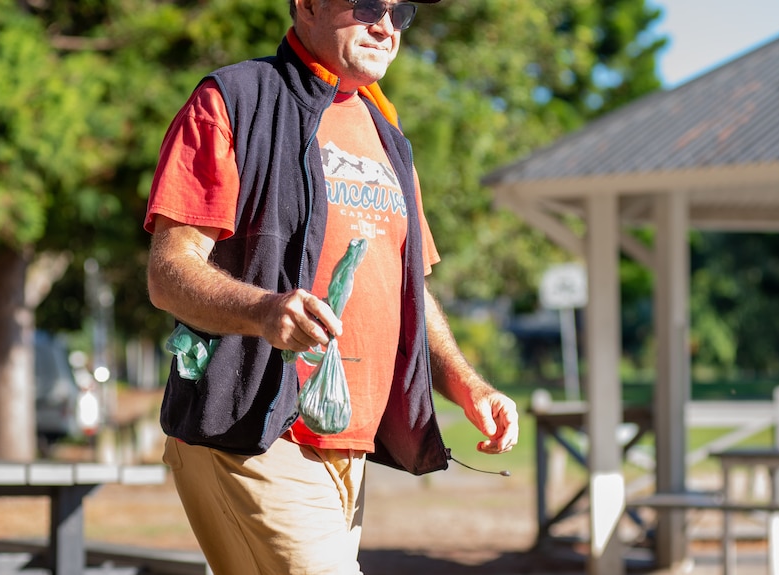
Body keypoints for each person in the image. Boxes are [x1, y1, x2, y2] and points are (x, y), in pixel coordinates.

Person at [144, 0, 519, 573]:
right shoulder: (233, 101)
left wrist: (468, 386)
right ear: (308, 5)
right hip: (257, 433)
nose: (385, 25)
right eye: (368, 4)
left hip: (351, 446)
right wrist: (264, 310)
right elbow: (170, 271)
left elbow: (407, 289)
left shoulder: (387, 133)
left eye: (402, 11)